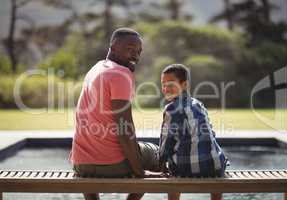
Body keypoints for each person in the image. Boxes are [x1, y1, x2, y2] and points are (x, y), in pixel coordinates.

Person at [70, 27, 162, 200]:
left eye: (139, 51)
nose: (135, 55)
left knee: (136, 149)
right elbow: (124, 129)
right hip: (111, 164)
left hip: (81, 164)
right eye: (130, 49)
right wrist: (139, 171)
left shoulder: (96, 69)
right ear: (113, 47)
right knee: (157, 153)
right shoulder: (121, 74)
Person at [159, 64, 228, 200]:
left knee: (171, 172)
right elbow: (211, 134)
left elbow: (166, 142)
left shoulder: (170, 110)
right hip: (214, 167)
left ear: (184, 85)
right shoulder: (199, 105)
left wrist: (161, 162)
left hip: (183, 169)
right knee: (216, 163)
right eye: (163, 84)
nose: (166, 88)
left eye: (170, 84)